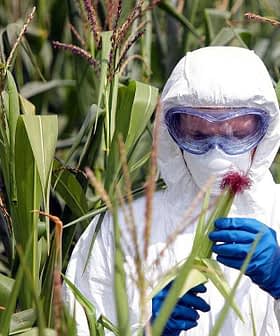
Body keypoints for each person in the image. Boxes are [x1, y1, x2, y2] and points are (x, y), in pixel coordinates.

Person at [64, 46, 280, 335]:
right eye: (198, 135)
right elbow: (80, 322)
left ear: (265, 132)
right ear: (171, 134)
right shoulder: (124, 229)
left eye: (238, 134)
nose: (216, 152)